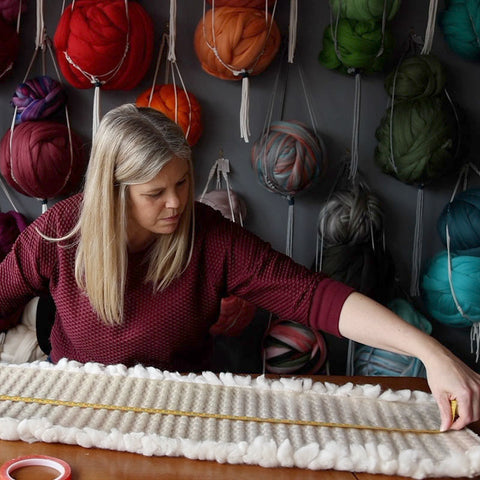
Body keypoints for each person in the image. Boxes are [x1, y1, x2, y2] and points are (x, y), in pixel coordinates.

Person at [0, 104, 479, 432]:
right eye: (155, 193)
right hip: (77, 416)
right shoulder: (60, 232)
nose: (177, 203)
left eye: (184, 182)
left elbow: (311, 295)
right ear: (113, 192)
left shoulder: (208, 235)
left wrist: (432, 354)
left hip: (181, 421)